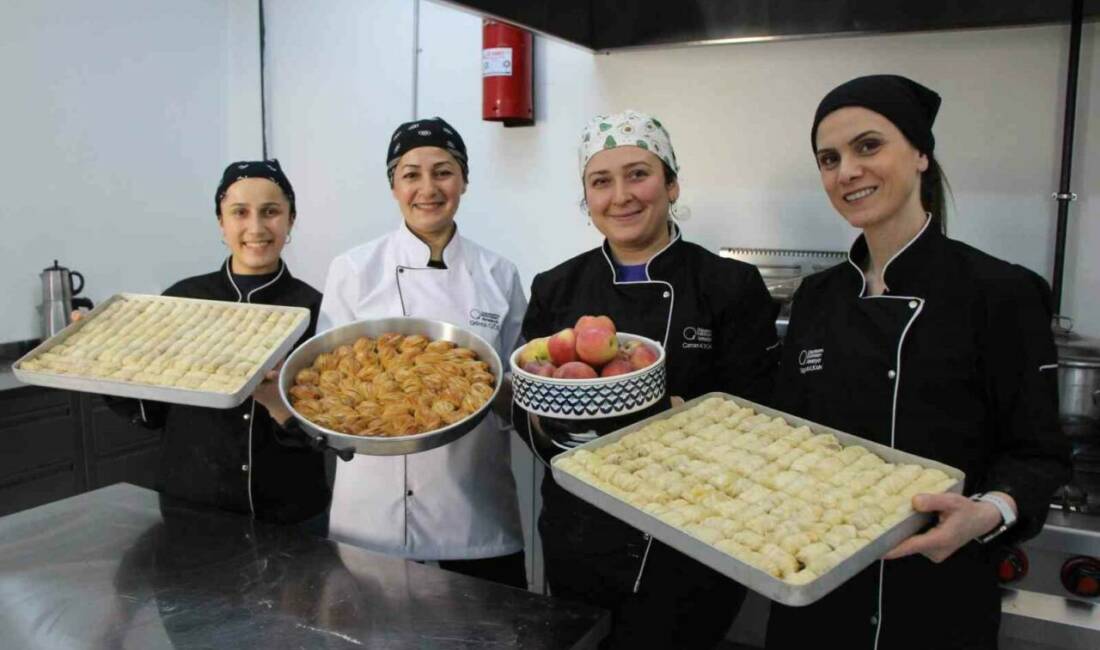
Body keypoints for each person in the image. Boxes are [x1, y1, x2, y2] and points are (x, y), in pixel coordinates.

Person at [765, 75, 1070, 650]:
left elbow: (1039, 454)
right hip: (814, 590)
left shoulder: (1001, 292)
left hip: (939, 596)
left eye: (868, 146)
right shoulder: (816, 298)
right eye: (829, 159)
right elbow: (790, 436)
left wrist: (987, 512)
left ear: (922, 154)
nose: (846, 171)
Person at [519, 109, 780, 649]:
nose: (622, 196)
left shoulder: (728, 285)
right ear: (586, 198)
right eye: (601, 181)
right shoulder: (556, 288)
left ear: (672, 183)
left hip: (693, 541)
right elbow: (529, 408)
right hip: (579, 535)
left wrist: (693, 426)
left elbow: (761, 413)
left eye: (638, 174)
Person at [318, 117, 528, 588]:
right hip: (370, 520)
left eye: (444, 171)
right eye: (411, 174)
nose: (427, 188)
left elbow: (517, 387)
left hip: (474, 512)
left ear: (465, 180)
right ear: (393, 185)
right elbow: (328, 386)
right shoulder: (353, 270)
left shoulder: (499, 274)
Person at [101, 160, 331, 527]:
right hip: (190, 505)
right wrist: (106, 355)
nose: (256, 227)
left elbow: (328, 436)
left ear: (290, 220)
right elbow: (151, 412)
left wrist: (279, 408)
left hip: (289, 512)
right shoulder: (181, 300)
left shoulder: (318, 310)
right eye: (240, 212)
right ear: (221, 223)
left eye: (270, 212)